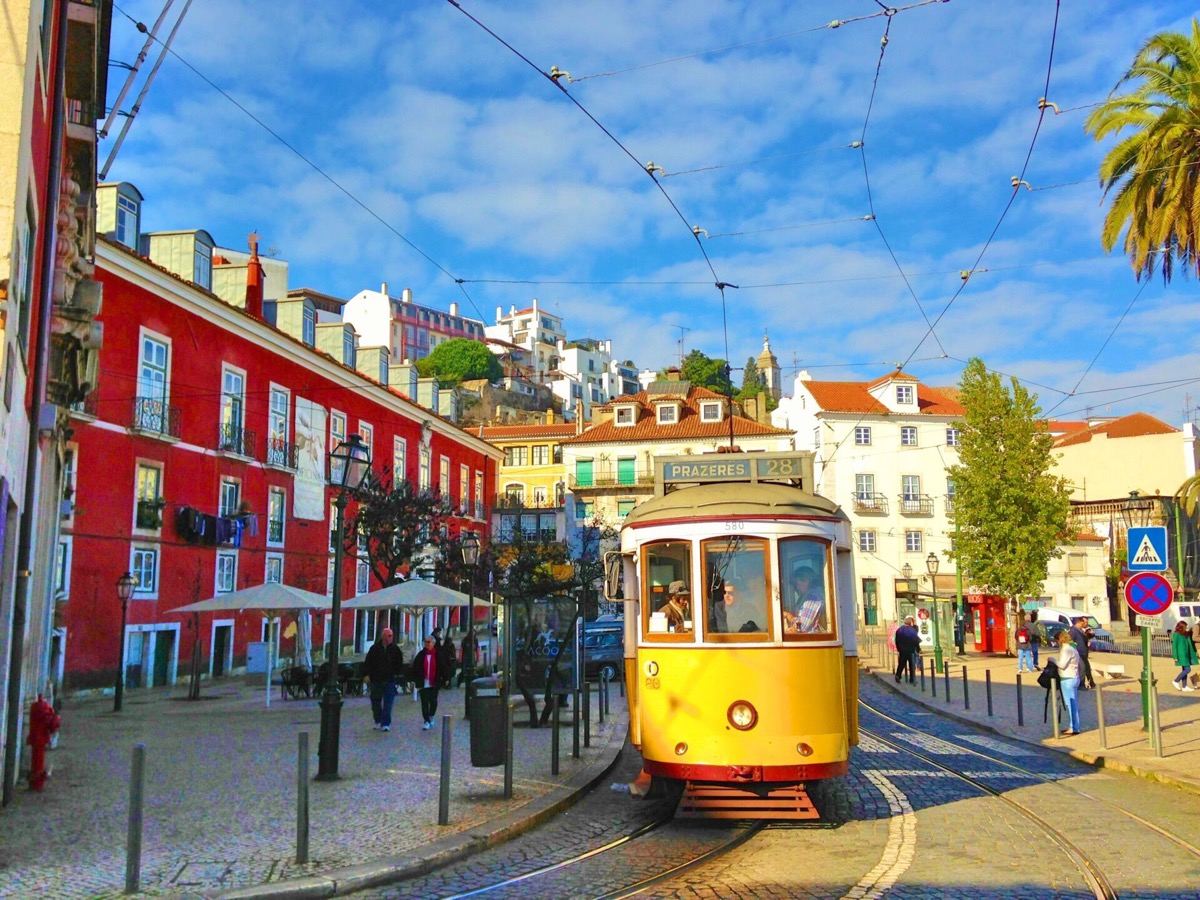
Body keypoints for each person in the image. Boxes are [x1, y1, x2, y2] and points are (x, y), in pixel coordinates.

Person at [363, 628, 404, 731]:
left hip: (390, 679)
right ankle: (377, 719)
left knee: (388, 702)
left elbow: (399, 663)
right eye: (389, 636)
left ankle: (386, 723)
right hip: (376, 679)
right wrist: (366, 674)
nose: (391, 638)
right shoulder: (375, 648)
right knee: (375, 702)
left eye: (392, 635)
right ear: (383, 636)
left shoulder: (395, 649)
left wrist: (395, 673)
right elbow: (368, 662)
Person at [1053, 629, 1082, 735]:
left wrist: (1052, 660)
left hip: (1067, 679)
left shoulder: (1066, 649)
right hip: (1074, 677)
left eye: (1057, 641)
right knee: (1073, 704)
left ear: (1059, 640)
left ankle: (1074, 727)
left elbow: (1062, 665)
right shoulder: (1073, 648)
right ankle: (1074, 726)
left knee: (1070, 704)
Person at [783, 566, 826, 633]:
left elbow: (801, 627)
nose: (796, 588)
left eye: (797, 584)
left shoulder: (813, 598)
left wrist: (788, 615)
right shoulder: (805, 597)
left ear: (806, 581)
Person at [411, 635, 441, 730]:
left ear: (433, 644)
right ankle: (426, 720)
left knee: (433, 701)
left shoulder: (438, 654)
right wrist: (414, 680)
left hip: (434, 682)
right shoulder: (421, 655)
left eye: (429, 642)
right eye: (426, 642)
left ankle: (431, 715)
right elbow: (415, 668)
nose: (427, 644)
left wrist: (445, 678)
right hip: (423, 682)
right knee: (424, 702)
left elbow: (442, 667)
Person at [1171, 620, 1198, 691]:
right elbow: (1174, 646)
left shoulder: (1185, 634)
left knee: (1185, 670)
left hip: (1187, 654)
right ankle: (1176, 681)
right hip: (1181, 655)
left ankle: (1184, 686)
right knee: (1187, 669)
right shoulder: (1176, 635)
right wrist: (1175, 657)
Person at [1069, 617, 1095, 690]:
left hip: (1083, 652)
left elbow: (1083, 639)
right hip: (1078, 652)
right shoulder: (1073, 631)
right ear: (1079, 622)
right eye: (1084, 622)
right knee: (1082, 668)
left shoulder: (1080, 630)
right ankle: (1081, 685)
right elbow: (1070, 642)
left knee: (1086, 668)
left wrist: (1087, 641)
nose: (1085, 624)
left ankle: (1090, 683)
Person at [894, 616, 920, 684]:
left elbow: (896, 640)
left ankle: (898, 675)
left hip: (902, 650)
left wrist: (898, 648)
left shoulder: (899, 630)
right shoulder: (912, 630)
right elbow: (915, 641)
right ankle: (912, 679)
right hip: (910, 650)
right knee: (911, 665)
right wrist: (918, 649)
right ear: (910, 623)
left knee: (901, 664)